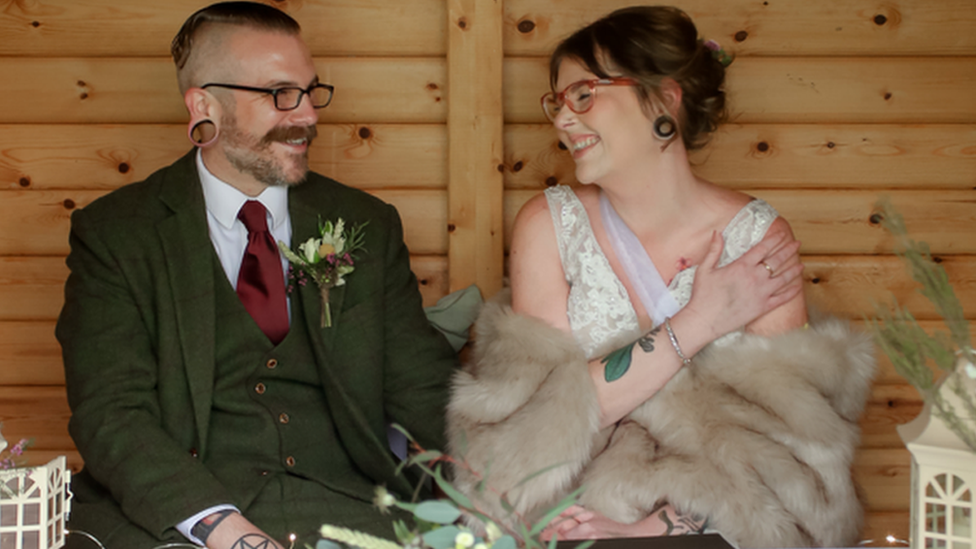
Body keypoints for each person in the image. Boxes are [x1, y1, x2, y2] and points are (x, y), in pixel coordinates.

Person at [447, 6, 874, 548]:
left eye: (583, 95)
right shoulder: (548, 227)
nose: (561, 120)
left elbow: (787, 448)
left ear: (664, 99)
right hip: (570, 507)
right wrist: (698, 322)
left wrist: (651, 529)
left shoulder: (757, 240)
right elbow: (543, 423)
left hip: (717, 521)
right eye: (557, 101)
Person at [55, 3, 458, 548]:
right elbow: (112, 413)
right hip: (184, 515)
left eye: (311, 91)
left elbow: (422, 386)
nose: (309, 115)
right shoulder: (117, 234)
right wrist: (228, 532)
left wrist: (506, 488)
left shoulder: (368, 223)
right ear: (205, 107)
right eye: (279, 93)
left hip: (353, 504)